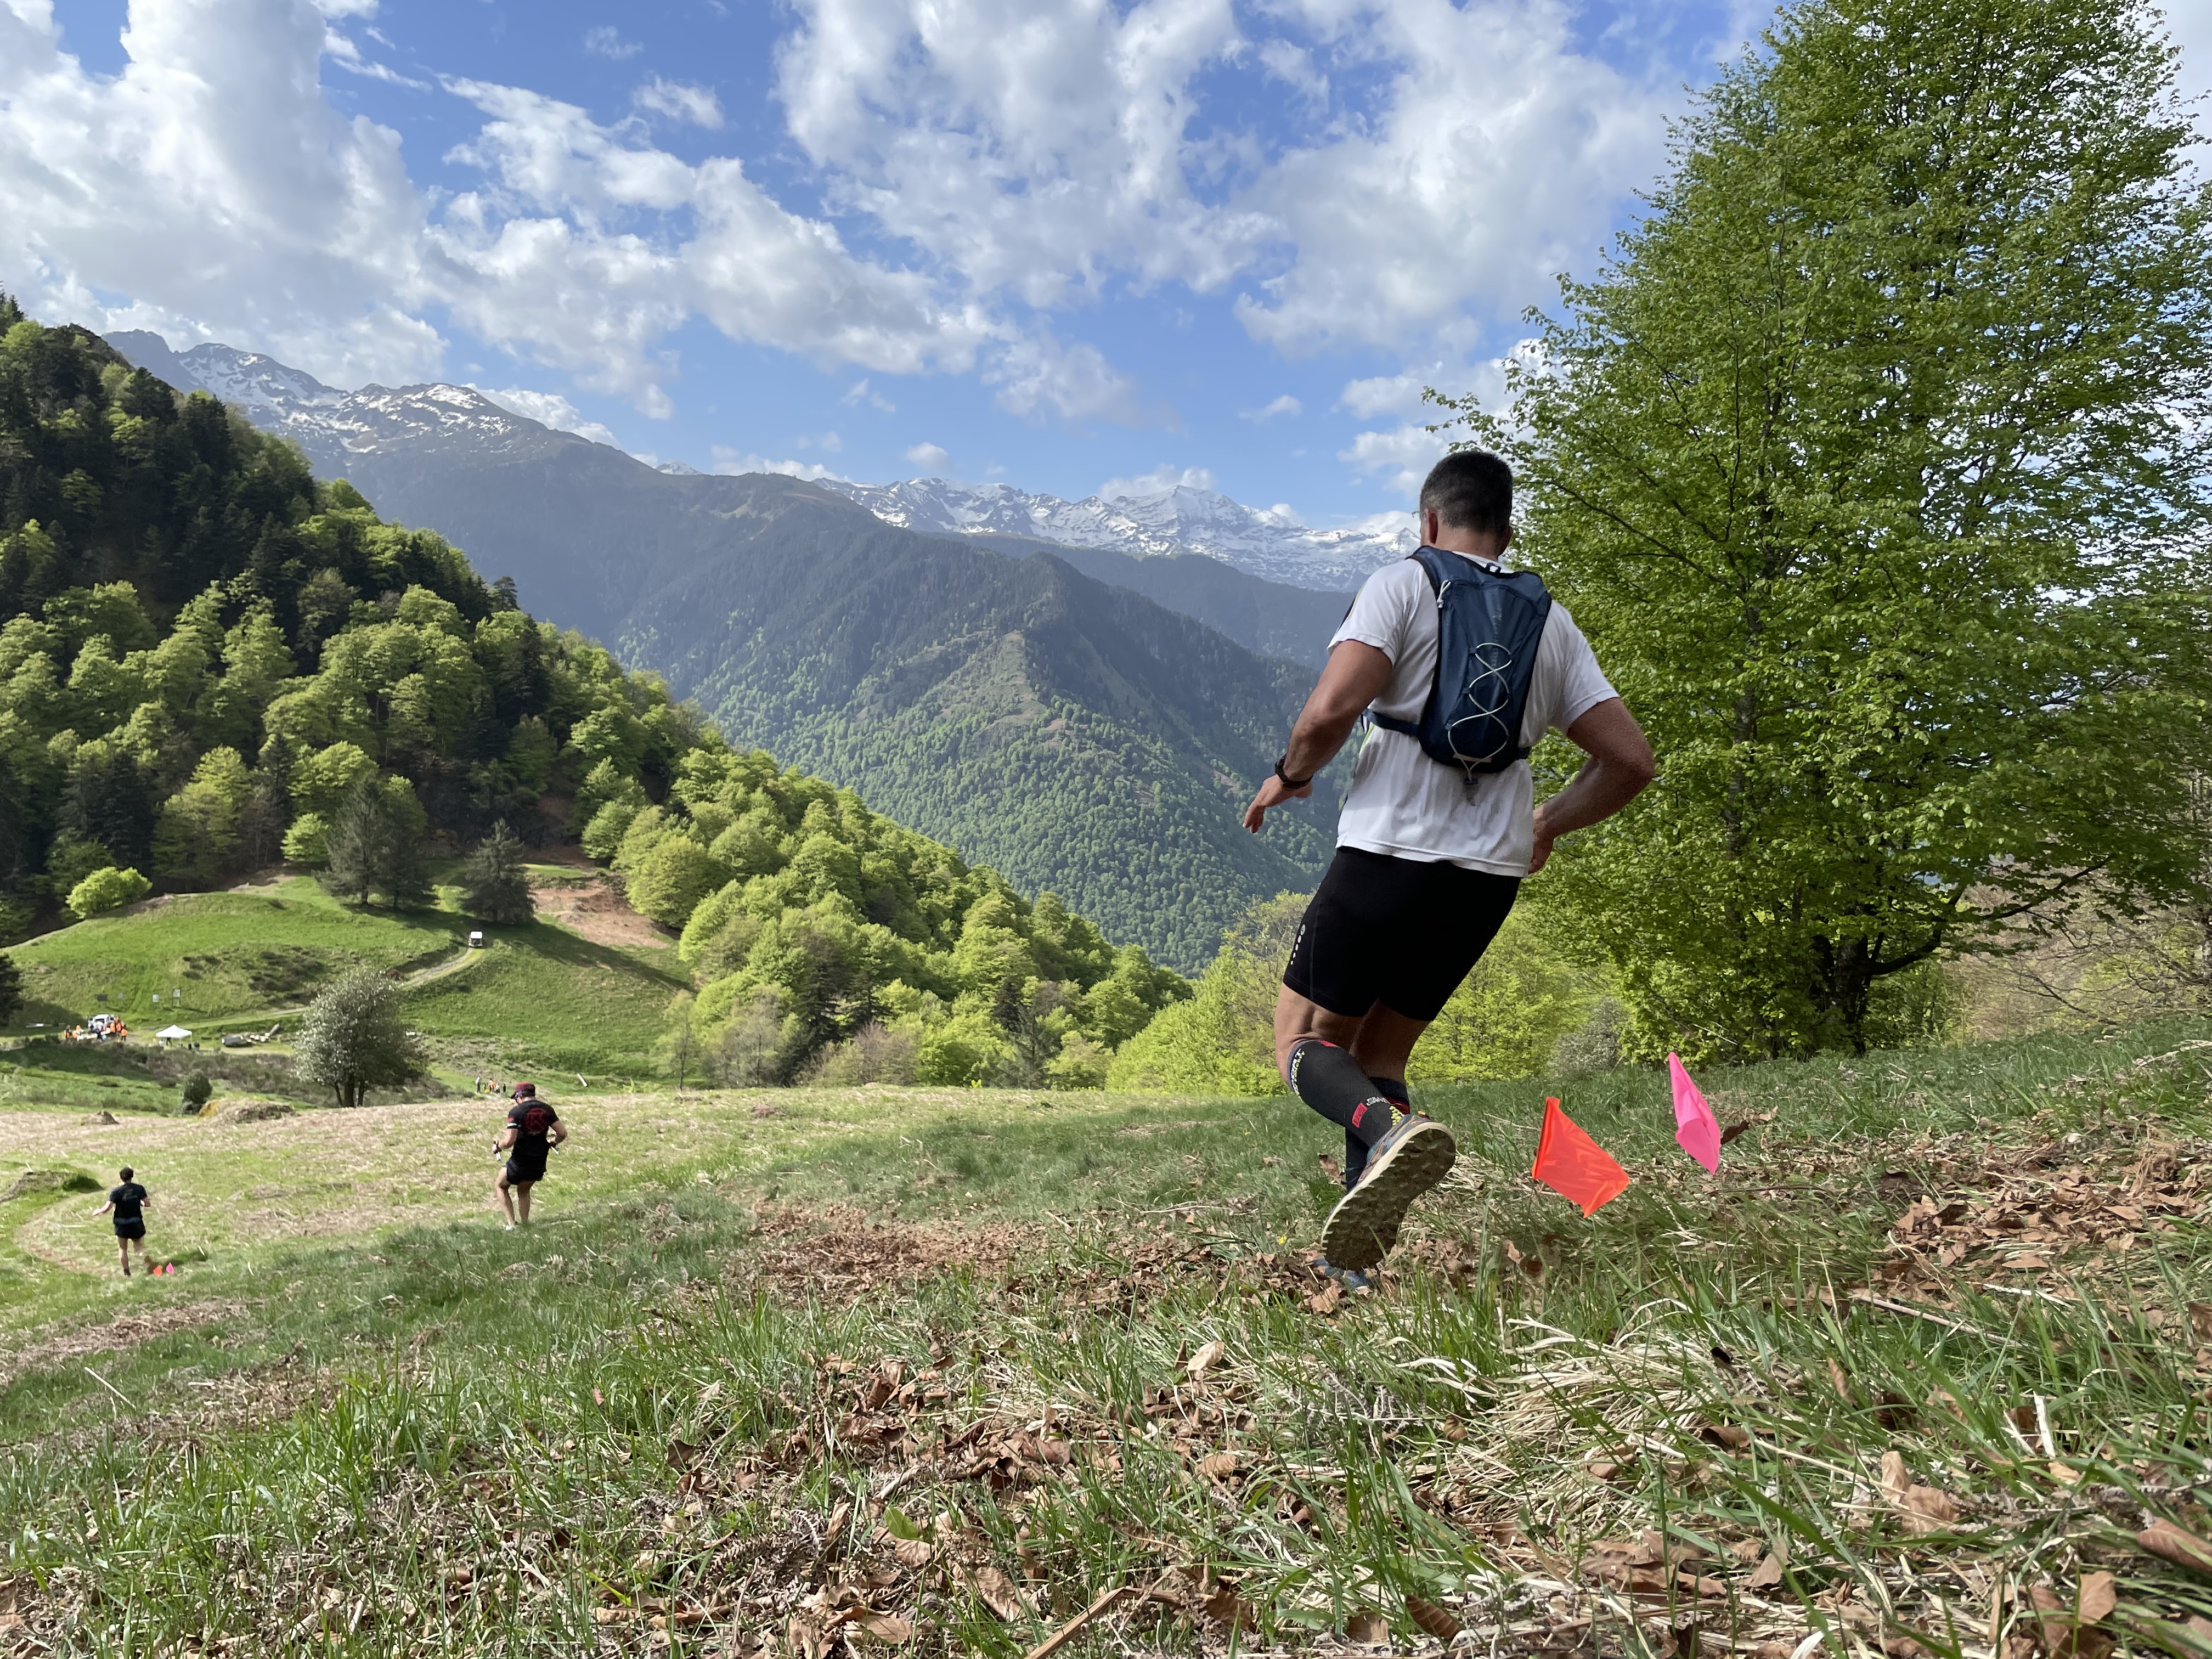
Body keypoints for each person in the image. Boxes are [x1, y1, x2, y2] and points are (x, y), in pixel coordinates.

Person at [1244, 450, 1656, 1277]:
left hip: (1388, 855)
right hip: (1487, 877)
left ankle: (1390, 1132)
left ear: (1428, 523)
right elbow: (1630, 764)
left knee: (1299, 1042)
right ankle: (1355, 1261)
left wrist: (1290, 777)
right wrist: (1548, 822)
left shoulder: (1403, 584)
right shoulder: (1553, 623)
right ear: (1506, 531)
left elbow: (1331, 709)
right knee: (1381, 1057)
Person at [494, 1081, 565, 1228]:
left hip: (520, 1160)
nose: (516, 1101)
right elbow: (562, 1133)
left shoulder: (516, 1112)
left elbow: (509, 1142)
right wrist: (554, 1142)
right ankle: (525, 1224)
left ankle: (511, 1224)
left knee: (501, 1185)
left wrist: (497, 1147)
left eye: (516, 1098)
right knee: (524, 1189)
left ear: (520, 1095)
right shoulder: (547, 1109)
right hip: (539, 1159)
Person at [92, 1166, 151, 1277]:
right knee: (139, 1248)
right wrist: (140, 1203)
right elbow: (147, 1203)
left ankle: (127, 1272)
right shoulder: (139, 1189)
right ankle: (149, 1264)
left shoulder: (116, 1192)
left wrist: (97, 1211)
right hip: (136, 1223)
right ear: (132, 1177)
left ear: (121, 1177)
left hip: (122, 1225)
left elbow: (106, 1209)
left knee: (123, 1248)